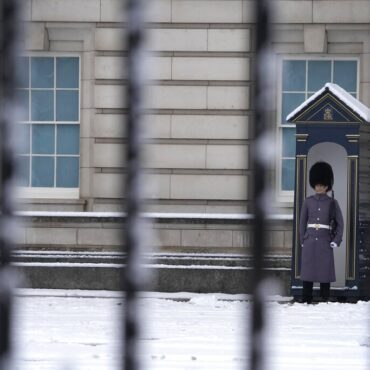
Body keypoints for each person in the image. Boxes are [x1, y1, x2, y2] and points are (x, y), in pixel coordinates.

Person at [299, 161, 344, 303]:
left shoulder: (332, 203)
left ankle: (325, 296)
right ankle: (307, 296)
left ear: (327, 186)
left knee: (325, 269)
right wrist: (302, 239)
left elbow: (340, 223)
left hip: (325, 239)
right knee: (308, 269)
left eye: (322, 185)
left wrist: (336, 240)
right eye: (317, 185)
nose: (319, 187)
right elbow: (302, 222)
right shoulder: (308, 201)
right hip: (310, 239)